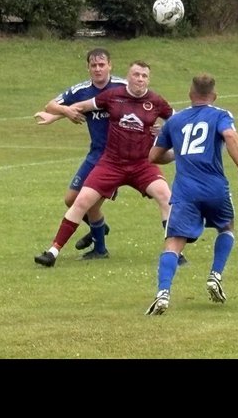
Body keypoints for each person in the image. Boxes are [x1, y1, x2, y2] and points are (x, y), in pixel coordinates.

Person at [34, 60, 177, 267]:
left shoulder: (156, 101)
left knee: (166, 196)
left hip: (142, 163)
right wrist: (54, 115)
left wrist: (164, 131)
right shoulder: (112, 95)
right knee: (81, 201)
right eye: (136, 75)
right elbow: (82, 107)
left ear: (149, 79)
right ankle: (52, 252)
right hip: (111, 162)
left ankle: (174, 252)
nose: (140, 79)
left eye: (144, 76)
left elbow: (179, 121)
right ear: (128, 77)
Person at [144, 73, 238, 316]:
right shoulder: (221, 115)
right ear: (214, 96)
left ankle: (163, 292)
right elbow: (230, 135)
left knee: (174, 242)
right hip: (215, 187)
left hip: (185, 192)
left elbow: (154, 156)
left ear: (190, 94)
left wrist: (179, 152)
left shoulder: (175, 121)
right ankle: (215, 275)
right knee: (226, 227)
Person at [34, 48, 127, 258]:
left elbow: (144, 105)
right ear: (88, 68)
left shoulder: (123, 87)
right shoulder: (82, 90)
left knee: (90, 204)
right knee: (71, 199)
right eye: (94, 65)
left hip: (115, 158)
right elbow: (51, 105)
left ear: (110, 65)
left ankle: (100, 249)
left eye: (102, 65)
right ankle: (99, 228)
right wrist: (63, 112)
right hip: (95, 154)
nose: (98, 69)